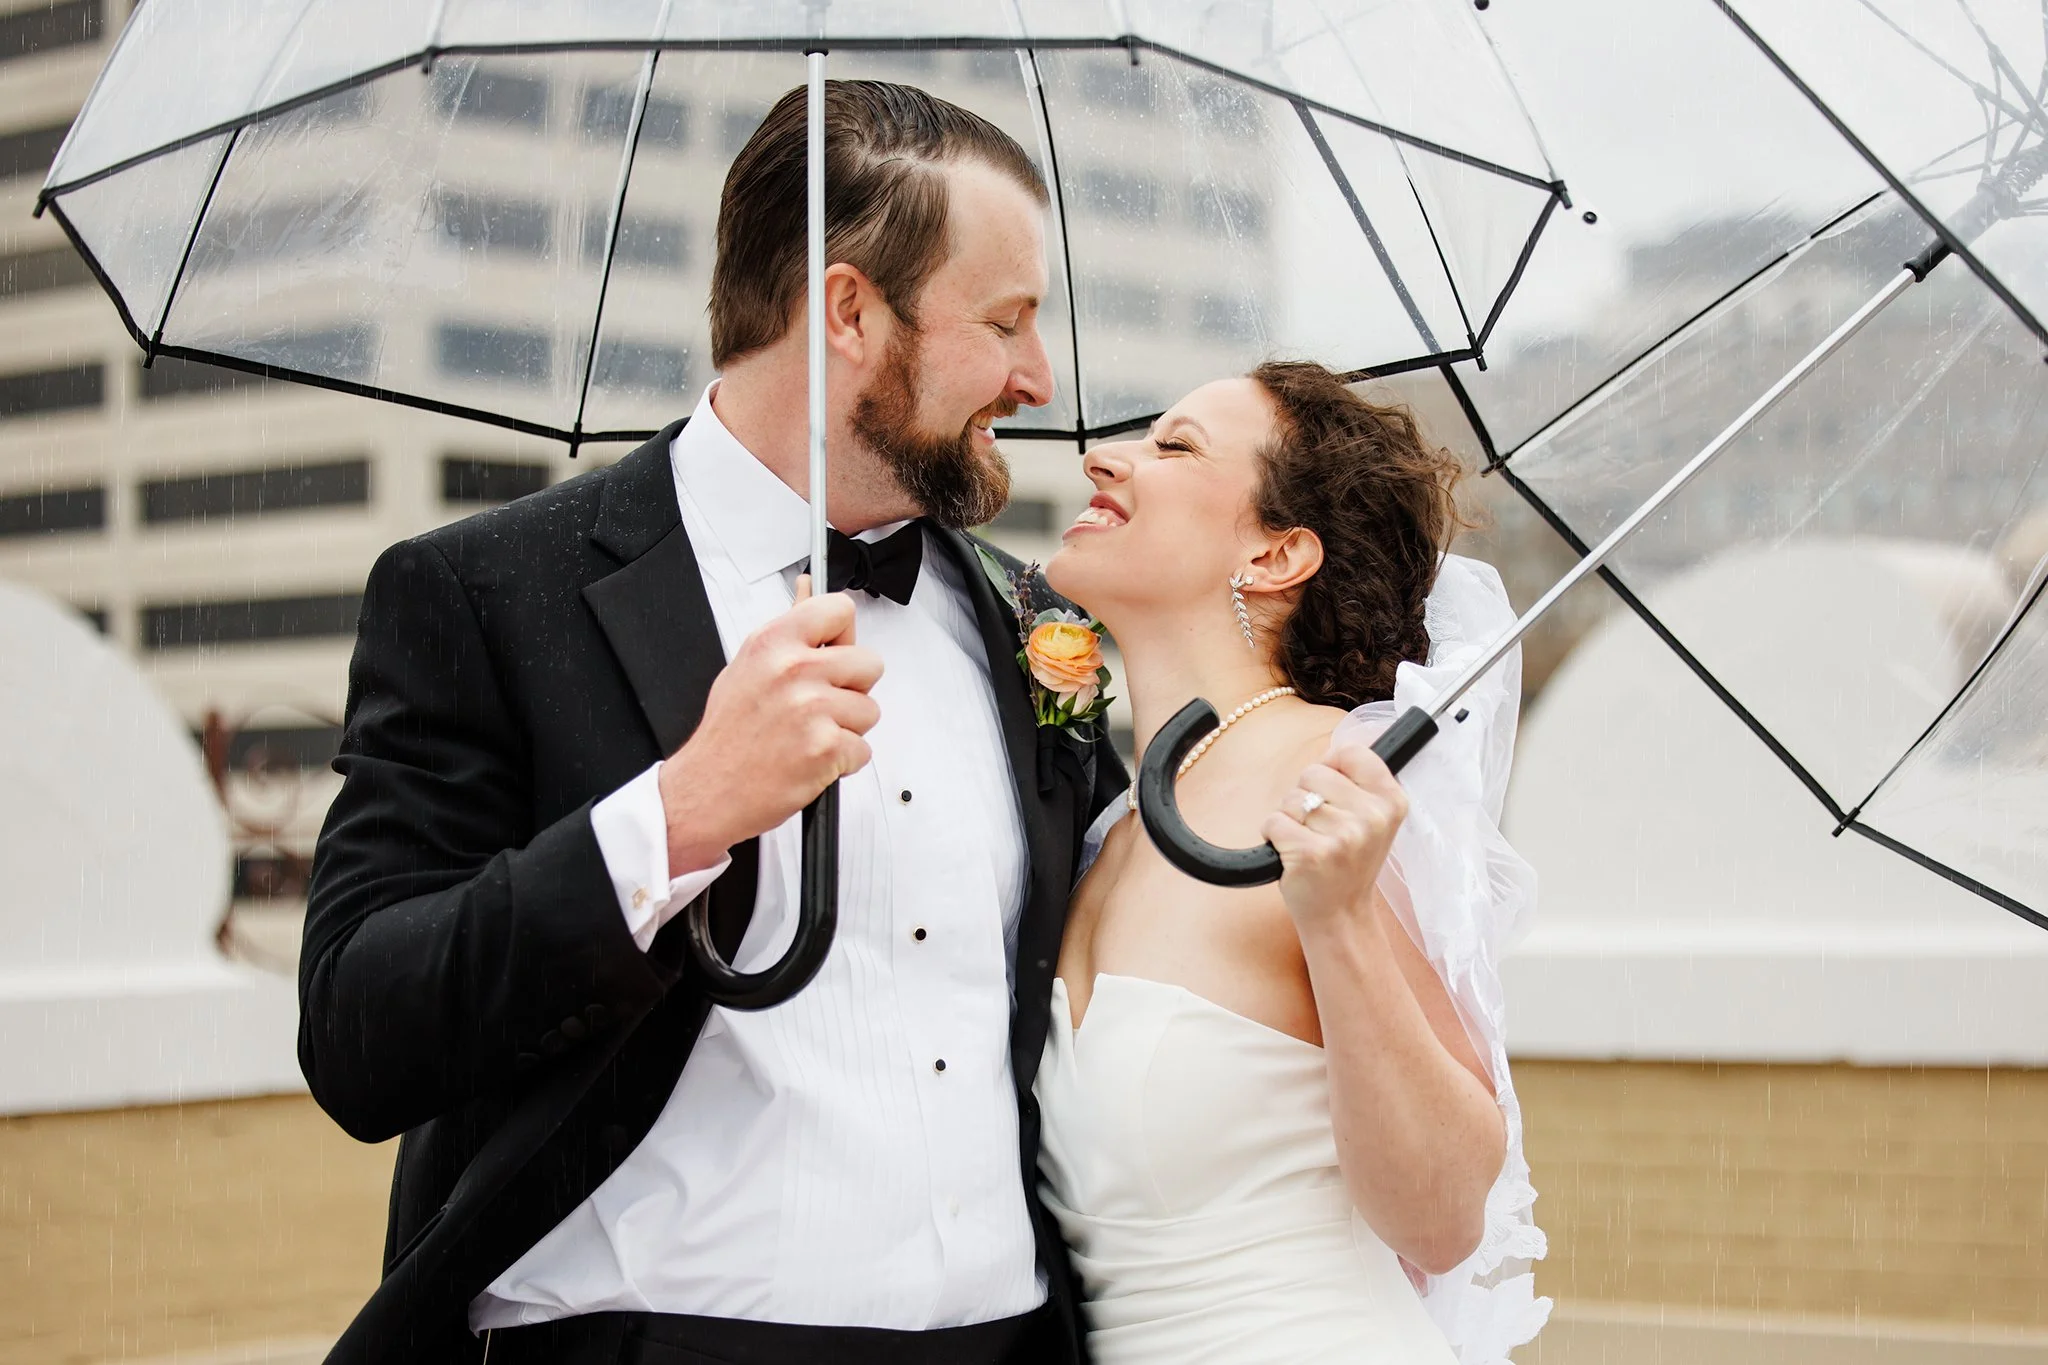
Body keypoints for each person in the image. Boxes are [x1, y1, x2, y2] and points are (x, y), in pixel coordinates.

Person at [300, 81, 1124, 1365]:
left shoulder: (1034, 624)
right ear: (848, 312)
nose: (1038, 377)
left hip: (1010, 1342)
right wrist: (678, 814)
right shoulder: (487, 594)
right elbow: (362, 1033)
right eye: (1005, 321)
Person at [1036, 362, 1550, 1364]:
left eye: (1174, 447)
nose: (1104, 459)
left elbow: (1445, 1216)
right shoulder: (1110, 830)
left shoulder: (1333, 791)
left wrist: (1340, 917)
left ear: (1276, 554)